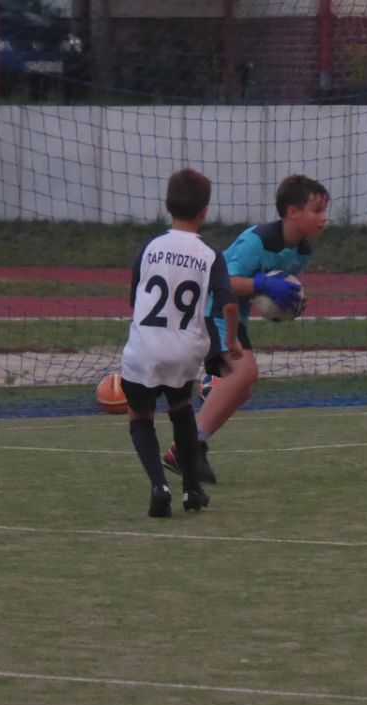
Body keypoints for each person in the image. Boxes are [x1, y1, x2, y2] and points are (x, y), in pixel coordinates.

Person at [161, 174, 330, 484]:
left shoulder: (302, 252)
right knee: (245, 372)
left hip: (233, 315)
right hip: (211, 307)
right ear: (292, 212)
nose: (324, 217)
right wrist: (262, 285)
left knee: (243, 384)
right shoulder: (258, 241)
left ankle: (189, 445)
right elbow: (223, 282)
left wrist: (289, 303)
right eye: (317, 210)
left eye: (325, 210)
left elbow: (264, 292)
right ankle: (189, 446)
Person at [120, 168, 243, 518]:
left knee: (140, 416)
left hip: (145, 347)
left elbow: (135, 299)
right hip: (184, 350)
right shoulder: (209, 254)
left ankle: (159, 486)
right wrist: (231, 340)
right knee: (181, 408)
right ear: (205, 211)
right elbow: (228, 303)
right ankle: (191, 488)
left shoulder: (150, 248)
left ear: (166, 205)